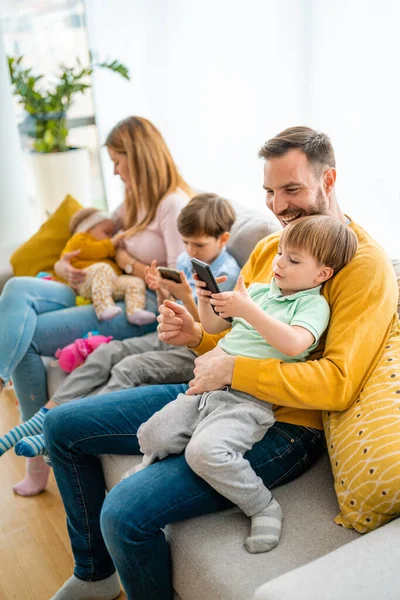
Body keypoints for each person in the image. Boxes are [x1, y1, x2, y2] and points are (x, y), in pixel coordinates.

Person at [43, 127, 398, 600]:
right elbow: (237, 337)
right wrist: (196, 336)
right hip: (213, 392)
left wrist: (229, 369)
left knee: (124, 513)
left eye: (291, 190)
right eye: (269, 192)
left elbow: (337, 383)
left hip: (281, 424)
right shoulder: (275, 247)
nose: (278, 206)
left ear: (328, 179)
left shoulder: (364, 266)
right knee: (62, 426)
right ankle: (95, 574)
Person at [132, 215, 357, 554]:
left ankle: (262, 506)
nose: (279, 263)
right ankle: (154, 462)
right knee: (150, 434)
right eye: (281, 252)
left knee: (204, 453)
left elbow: (295, 344)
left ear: (322, 274)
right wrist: (205, 296)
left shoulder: (312, 305)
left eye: (293, 260)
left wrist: (248, 310)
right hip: (206, 389)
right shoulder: (261, 291)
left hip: (248, 400)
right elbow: (214, 326)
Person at [0, 115, 192, 496]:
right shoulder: (130, 206)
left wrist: (124, 262)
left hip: (144, 305)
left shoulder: (174, 205)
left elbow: (176, 282)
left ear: (139, 158)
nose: (116, 171)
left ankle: (35, 460)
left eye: (119, 161)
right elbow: (96, 242)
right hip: (106, 289)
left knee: (31, 339)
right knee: (18, 288)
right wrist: (63, 266)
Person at [0, 194, 240, 459]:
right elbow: (169, 310)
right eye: (185, 242)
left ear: (223, 239)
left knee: (129, 367)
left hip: (197, 352)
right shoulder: (186, 261)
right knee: (107, 352)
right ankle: (44, 416)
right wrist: (161, 291)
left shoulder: (227, 274)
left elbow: (207, 332)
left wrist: (185, 296)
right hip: (172, 336)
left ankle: (67, 428)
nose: (191, 251)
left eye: (199, 244)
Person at [62, 207, 156, 324]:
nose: (111, 237)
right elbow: (92, 250)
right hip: (85, 282)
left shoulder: (108, 250)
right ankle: (103, 307)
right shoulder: (79, 239)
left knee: (134, 282)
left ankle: (135, 311)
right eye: (107, 233)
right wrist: (112, 243)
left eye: (112, 234)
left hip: (108, 284)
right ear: (89, 229)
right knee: (102, 268)